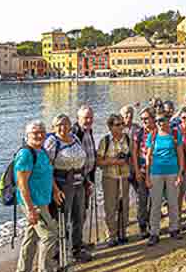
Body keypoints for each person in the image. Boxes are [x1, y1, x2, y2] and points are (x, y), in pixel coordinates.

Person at [15, 120, 65, 272]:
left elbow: (47, 173)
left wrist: (56, 191)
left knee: (32, 237)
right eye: (35, 132)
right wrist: (30, 209)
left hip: (43, 201)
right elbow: (22, 184)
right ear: (27, 135)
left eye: (41, 132)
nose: (39, 135)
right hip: (34, 203)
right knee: (50, 236)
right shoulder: (26, 154)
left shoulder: (41, 151)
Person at [43, 115, 87, 262]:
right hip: (62, 185)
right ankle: (58, 253)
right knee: (61, 219)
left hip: (79, 183)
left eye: (65, 124)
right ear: (54, 127)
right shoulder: (52, 142)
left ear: (70, 125)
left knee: (78, 217)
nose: (63, 127)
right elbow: (47, 169)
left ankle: (77, 248)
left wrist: (87, 182)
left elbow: (82, 161)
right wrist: (55, 190)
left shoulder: (75, 137)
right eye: (59, 125)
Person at [145, 113, 186, 245]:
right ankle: (154, 232)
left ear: (168, 120)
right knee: (155, 204)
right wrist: (147, 176)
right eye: (157, 120)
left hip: (172, 172)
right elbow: (148, 156)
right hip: (156, 172)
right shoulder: (152, 135)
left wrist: (180, 173)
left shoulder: (175, 134)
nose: (160, 123)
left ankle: (174, 228)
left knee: (173, 202)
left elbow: (180, 155)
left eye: (162, 120)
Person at [97, 114, 132, 247]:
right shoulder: (105, 141)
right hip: (110, 177)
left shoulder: (127, 139)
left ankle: (122, 233)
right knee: (110, 207)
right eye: (118, 125)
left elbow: (131, 156)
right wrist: (114, 161)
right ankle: (111, 235)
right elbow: (99, 162)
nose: (121, 127)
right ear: (110, 127)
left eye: (122, 124)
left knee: (124, 205)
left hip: (124, 176)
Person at [70, 106, 96, 261]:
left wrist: (90, 179)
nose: (89, 120)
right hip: (77, 181)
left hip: (85, 179)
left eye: (90, 117)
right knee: (77, 215)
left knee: (82, 213)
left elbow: (89, 155)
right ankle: (75, 249)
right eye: (86, 118)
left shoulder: (88, 131)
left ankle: (78, 242)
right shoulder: (75, 133)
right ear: (78, 118)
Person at [132, 107, 155, 238]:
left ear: (152, 118)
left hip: (156, 170)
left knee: (154, 199)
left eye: (146, 118)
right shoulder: (139, 133)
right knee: (142, 199)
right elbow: (134, 153)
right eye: (142, 119)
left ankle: (152, 224)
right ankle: (142, 226)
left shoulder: (158, 132)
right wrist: (136, 170)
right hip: (142, 169)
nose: (144, 121)